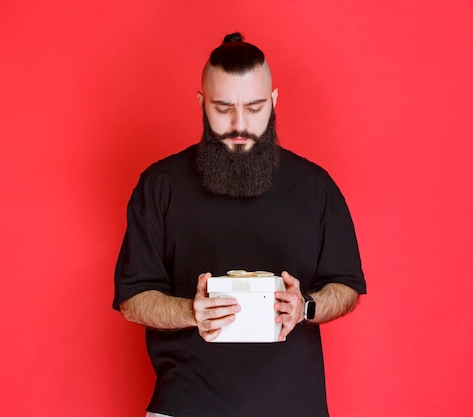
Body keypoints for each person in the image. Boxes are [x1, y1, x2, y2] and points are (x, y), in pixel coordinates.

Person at [113, 32, 366, 417]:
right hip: (184, 407)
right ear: (201, 104)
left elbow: (347, 286)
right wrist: (191, 312)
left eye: (254, 106)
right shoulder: (160, 184)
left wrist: (305, 307)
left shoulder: (315, 187)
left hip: (295, 408)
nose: (239, 123)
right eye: (222, 107)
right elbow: (133, 300)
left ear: (274, 102)